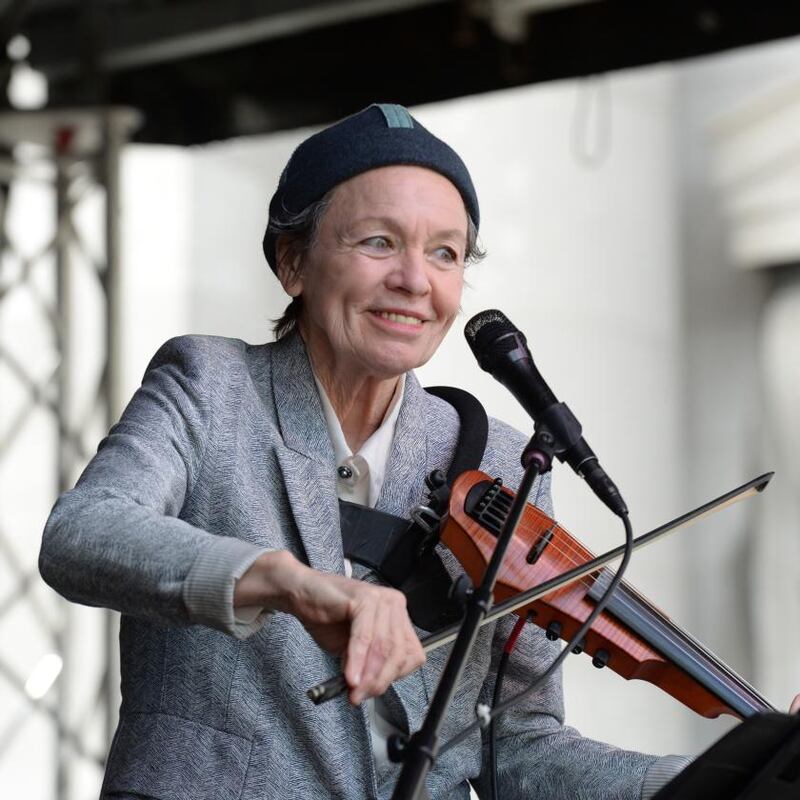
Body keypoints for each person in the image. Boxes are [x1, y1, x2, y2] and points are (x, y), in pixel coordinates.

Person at [40, 104, 697, 799]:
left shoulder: (503, 461)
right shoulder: (211, 388)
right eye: (379, 242)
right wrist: (282, 580)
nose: (416, 280)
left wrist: (716, 778)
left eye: (445, 252)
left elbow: (518, 746)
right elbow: (82, 535)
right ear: (293, 262)